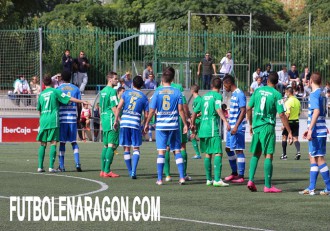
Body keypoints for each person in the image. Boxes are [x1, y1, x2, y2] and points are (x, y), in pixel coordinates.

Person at [246, 71, 293, 193]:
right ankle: (267, 185)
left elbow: (248, 108)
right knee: (268, 155)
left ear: (267, 81)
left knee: (256, 154)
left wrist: (251, 124)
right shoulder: (277, 94)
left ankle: (250, 180)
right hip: (267, 127)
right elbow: (282, 114)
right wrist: (289, 131)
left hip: (256, 126)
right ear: (277, 83)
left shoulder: (257, 91)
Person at [143, 67, 188, 185]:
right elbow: (181, 110)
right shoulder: (177, 91)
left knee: (161, 151)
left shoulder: (157, 92)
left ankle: (159, 179)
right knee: (177, 150)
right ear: (172, 79)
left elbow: (152, 110)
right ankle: (182, 177)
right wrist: (185, 124)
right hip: (174, 125)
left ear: (162, 79)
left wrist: (147, 123)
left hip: (161, 126)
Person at [36, 75, 88, 173]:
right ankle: (51, 167)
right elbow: (69, 98)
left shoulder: (41, 94)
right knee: (54, 143)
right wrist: (82, 101)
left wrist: (41, 120)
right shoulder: (55, 91)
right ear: (51, 83)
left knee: (42, 143)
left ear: (43, 84)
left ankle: (40, 167)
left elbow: (39, 109)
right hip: (54, 120)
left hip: (43, 120)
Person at [191, 77, 230, 187]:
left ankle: (209, 179)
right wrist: (225, 121)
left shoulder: (204, 97)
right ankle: (217, 179)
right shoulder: (217, 96)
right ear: (220, 86)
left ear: (211, 85)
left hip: (202, 128)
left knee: (208, 154)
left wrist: (192, 124)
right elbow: (218, 109)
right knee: (218, 152)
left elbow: (194, 112)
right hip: (212, 128)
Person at [299, 72, 330, 196]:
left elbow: (316, 111)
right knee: (313, 157)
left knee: (319, 158)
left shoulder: (314, 94)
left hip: (316, 131)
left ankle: (328, 187)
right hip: (320, 129)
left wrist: (310, 129)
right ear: (321, 82)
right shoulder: (323, 94)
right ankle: (311, 187)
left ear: (310, 81)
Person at [114, 75, 149, 179]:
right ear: (141, 85)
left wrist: (116, 120)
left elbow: (119, 107)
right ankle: (134, 171)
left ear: (132, 84)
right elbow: (146, 114)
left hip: (124, 122)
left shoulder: (126, 93)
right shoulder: (144, 97)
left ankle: (130, 171)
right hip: (135, 123)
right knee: (136, 148)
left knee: (126, 148)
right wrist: (145, 125)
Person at [57, 71, 83, 172]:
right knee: (73, 142)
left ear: (62, 78)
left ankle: (62, 166)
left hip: (62, 119)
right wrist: (79, 116)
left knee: (62, 143)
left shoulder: (58, 89)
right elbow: (79, 105)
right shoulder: (76, 89)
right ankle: (77, 163)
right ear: (70, 78)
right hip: (72, 118)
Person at [223, 75, 247, 183]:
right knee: (228, 149)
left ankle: (241, 176)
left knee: (238, 150)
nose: (224, 87)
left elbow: (243, 111)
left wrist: (236, 126)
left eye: (225, 85)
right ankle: (234, 173)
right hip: (231, 127)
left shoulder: (239, 94)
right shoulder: (233, 95)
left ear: (229, 83)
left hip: (237, 127)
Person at [99, 71, 120, 178]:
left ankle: (102, 170)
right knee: (111, 146)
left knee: (106, 145)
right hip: (111, 119)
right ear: (110, 79)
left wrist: (102, 119)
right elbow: (114, 107)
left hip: (104, 120)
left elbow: (99, 107)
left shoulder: (102, 91)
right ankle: (107, 170)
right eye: (115, 79)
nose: (117, 80)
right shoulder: (112, 91)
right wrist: (118, 120)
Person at [280, 86, 301, 160]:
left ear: (288, 92)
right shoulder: (298, 101)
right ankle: (298, 152)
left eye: (286, 92)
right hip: (296, 121)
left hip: (289, 122)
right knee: (295, 138)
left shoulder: (288, 102)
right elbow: (299, 113)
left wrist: (284, 125)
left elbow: (287, 114)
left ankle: (284, 155)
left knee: (284, 137)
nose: (285, 94)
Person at [190, 84, 202, 160]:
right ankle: (198, 154)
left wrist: (196, 116)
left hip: (198, 121)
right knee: (193, 136)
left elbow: (202, 111)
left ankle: (198, 153)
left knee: (194, 136)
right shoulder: (197, 99)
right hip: (196, 120)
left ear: (192, 91)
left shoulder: (199, 100)